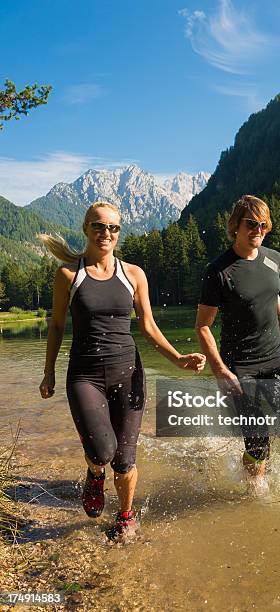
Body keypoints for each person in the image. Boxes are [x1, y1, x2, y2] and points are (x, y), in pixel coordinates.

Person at [39, 201, 205, 541]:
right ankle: (94, 472)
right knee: (102, 451)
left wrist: (177, 359)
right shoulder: (69, 274)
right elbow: (56, 326)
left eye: (113, 228)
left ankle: (126, 516)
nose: (107, 233)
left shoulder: (133, 274)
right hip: (84, 376)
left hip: (128, 374)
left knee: (125, 458)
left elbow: (149, 327)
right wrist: (49, 372)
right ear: (86, 228)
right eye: (99, 226)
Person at [195, 195, 280, 492]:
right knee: (258, 445)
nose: (258, 229)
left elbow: (273, 296)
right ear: (235, 226)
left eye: (263, 224)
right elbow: (203, 326)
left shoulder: (272, 258)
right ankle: (254, 484)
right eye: (251, 224)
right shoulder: (219, 271)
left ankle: (260, 445)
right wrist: (220, 370)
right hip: (240, 368)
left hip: (275, 358)